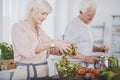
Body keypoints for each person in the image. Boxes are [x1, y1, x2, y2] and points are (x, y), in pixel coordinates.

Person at [11, 0, 73, 80]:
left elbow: (50, 48)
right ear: (32, 10)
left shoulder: (39, 30)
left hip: (43, 76)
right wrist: (55, 42)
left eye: (47, 14)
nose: (45, 17)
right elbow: (30, 50)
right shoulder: (18, 28)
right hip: (25, 76)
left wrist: (63, 48)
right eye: (43, 13)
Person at [64, 0, 109, 66]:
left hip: (85, 67)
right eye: (88, 15)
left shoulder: (88, 24)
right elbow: (67, 50)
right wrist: (86, 58)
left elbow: (85, 45)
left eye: (93, 14)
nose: (91, 18)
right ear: (80, 12)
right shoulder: (73, 26)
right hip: (74, 67)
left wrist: (99, 49)